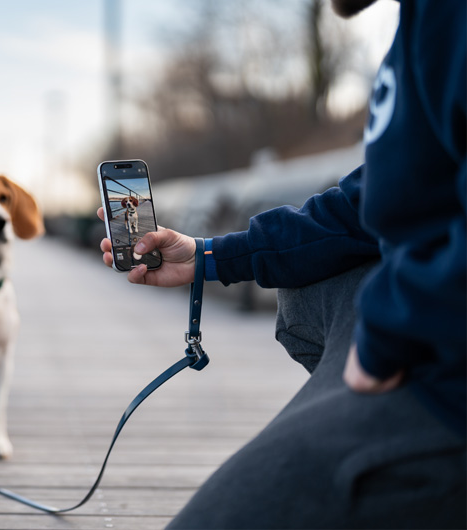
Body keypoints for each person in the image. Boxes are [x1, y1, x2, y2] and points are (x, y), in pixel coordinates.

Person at [98, 0, 466, 527]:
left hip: (444, 371)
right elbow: (359, 209)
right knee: (306, 284)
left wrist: (391, 337)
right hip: (419, 332)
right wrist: (208, 256)